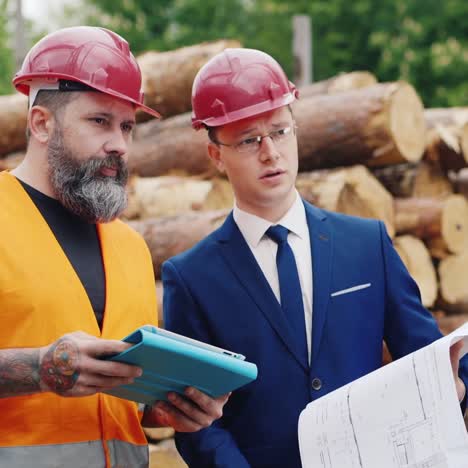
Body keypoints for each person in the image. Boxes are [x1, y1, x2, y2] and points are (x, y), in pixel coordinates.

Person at [162, 48, 468, 468]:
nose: (270, 152)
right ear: (216, 154)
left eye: (280, 131)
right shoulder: (192, 278)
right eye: (249, 139)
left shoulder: (366, 244)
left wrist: (454, 389)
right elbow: (197, 424)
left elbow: (432, 359)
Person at [0, 26, 228, 468]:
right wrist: (41, 367)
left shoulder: (130, 248)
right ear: (42, 123)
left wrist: (162, 410)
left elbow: (118, 400)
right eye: (99, 121)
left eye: (127, 126)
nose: (119, 145)